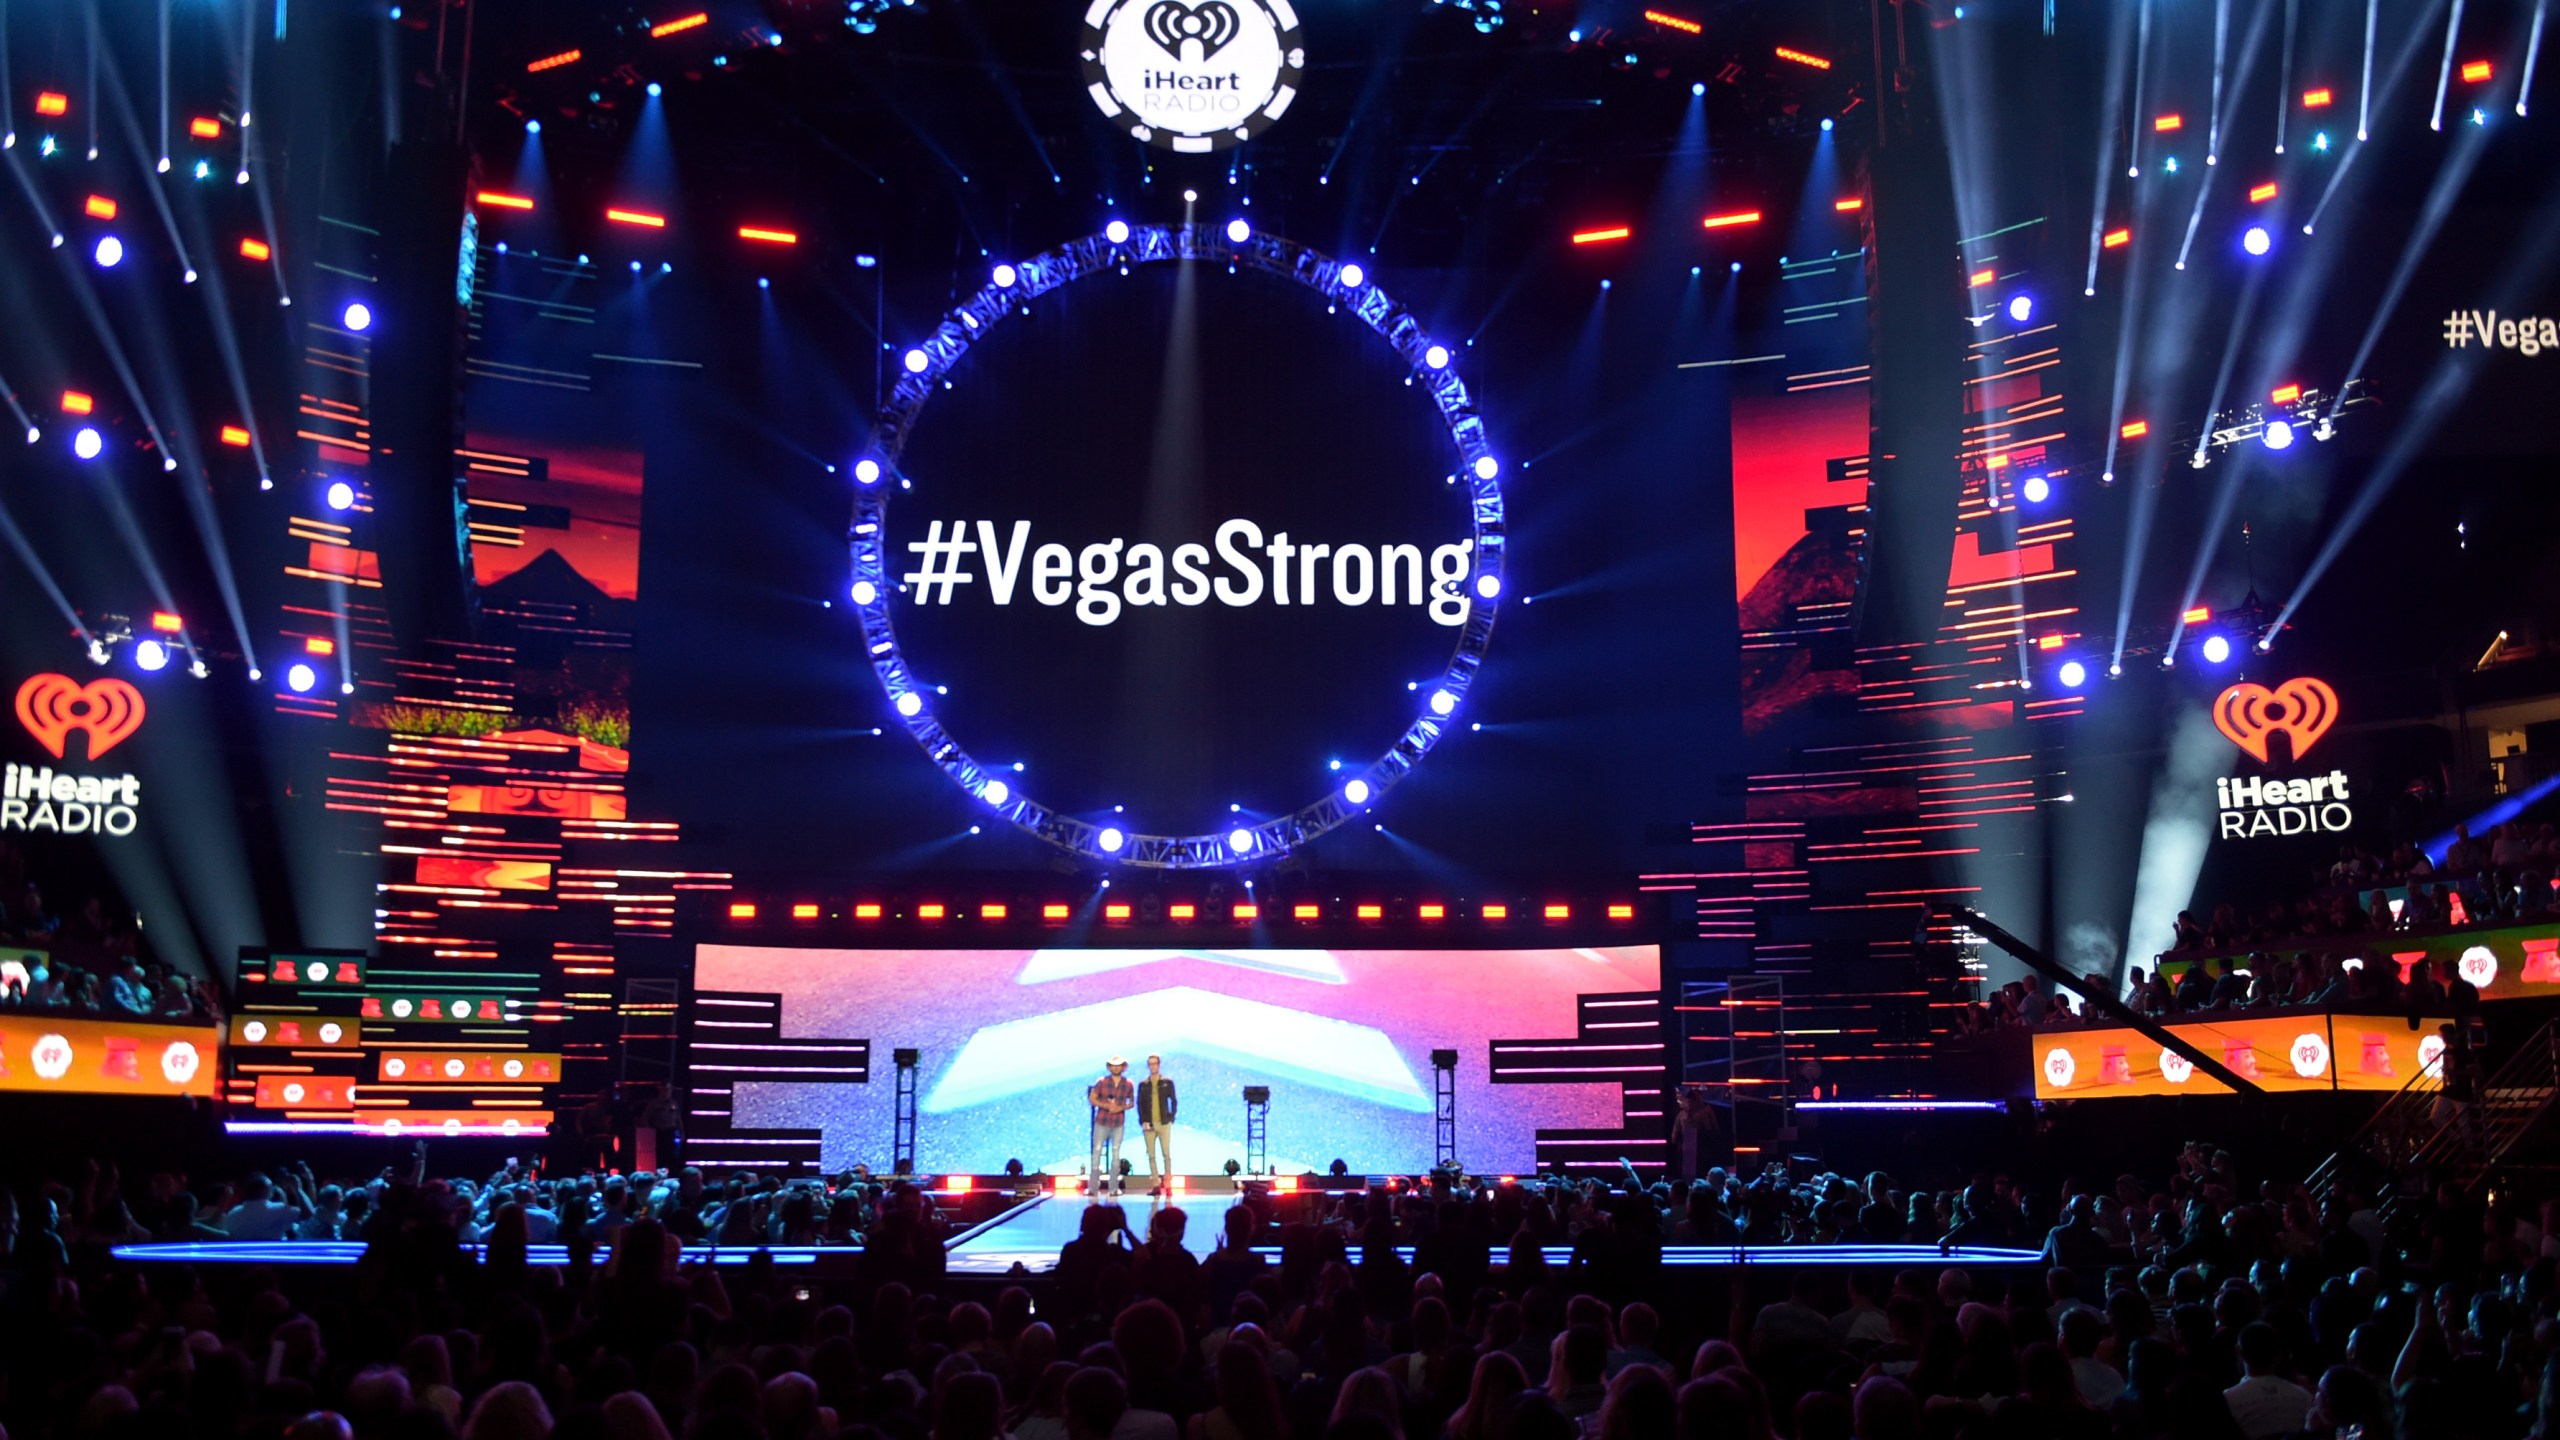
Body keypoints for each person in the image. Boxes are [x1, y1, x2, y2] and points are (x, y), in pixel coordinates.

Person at [1088, 1055, 1134, 1198]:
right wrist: (1106, 1106)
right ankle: (1093, 1188)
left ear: (1123, 1067)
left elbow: (1132, 1102)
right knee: (1097, 1152)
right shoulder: (1102, 1082)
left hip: (1118, 1123)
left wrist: (1120, 1108)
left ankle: (1113, 1188)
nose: (1116, 1067)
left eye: (1119, 1065)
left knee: (1115, 1154)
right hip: (1102, 1121)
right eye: (1113, 1065)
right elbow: (1092, 1098)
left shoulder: (1128, 1084)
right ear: (1109, 1067)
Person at [1137, 1053, 1179, 1194]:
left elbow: (1173, 1100)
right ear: (1148, 1066)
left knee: (1166, 1154)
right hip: (1149, 1124)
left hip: (1164, 1123)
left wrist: (1171, 1117)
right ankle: (1156, 1184)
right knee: (1151, 1155)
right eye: (1150, 1063)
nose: (1153, 1066)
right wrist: (1143, 1121)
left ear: (1159, 1065)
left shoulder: (1167, 1082)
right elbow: (1140, 1104)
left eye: (1155, 1063)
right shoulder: (1143, 1085)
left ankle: (1167, 1184)